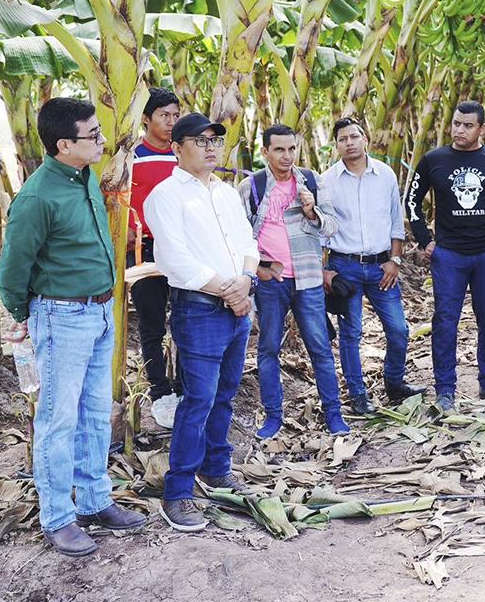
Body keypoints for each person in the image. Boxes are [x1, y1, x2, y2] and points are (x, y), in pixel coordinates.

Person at [0, 98, 146, 556]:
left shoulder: (85, 179)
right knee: (58, 420)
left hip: (101, 313)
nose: (103, 140)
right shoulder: (38, 196)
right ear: (64, 144)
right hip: (62, 317)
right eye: (93, 135)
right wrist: (23, 317)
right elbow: (11, 270)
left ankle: (96, 499)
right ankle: (57, 516)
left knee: (96, 413)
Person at [143, 112, 260, 533]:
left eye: (215, 140)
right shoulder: (165, 195)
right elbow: (173, 258)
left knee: (226, 394)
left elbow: (248, 241)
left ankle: (216, 468)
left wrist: (245, 283)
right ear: (177, 148)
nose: (211, 148)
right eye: (200, 140)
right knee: (198, 400)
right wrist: (227, 290)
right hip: (200, 308)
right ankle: (178, 492)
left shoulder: (228, 193)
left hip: (239, 304)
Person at [405, 100, 485, 412]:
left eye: (468, 125)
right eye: (456, 123)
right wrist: (425, 239)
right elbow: (412, 202)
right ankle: (445, 389)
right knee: (445, 321)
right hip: (448, 256)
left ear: (482, 129)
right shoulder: (434, 160)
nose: (459, 130)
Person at [239, 124, 342, 439]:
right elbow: (239, 235)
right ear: (266, 151)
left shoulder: (311, 181)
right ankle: (273, 417)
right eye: (279, 149)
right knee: (269, 348)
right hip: (272, 280)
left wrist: (311, 210)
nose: (286, 156)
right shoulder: (251, 187)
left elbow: (332, 227)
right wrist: (259, 269)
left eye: (291, 149)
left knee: (320, 348)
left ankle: (334, 414)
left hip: (308, 277)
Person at [320, 117, 423, 414]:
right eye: (343, 139)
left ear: (365, 139)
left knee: (398, 329)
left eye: (354, 136)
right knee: (351, 333)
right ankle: (357, 394)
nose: (349, 143)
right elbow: (322, 227)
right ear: (336, 145)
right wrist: (325, 269)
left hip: (381, 267)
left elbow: (395, 221)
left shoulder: (386, 175)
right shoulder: (327, 180)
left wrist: (396, 259)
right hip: (345, 266)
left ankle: (394, 383)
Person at [127, 87, 183, 429]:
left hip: (181, 249)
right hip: (144, 250)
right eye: (164, 115)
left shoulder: (183, 154)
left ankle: (183, 385)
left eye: (176, 115)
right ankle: (160, 390)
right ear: (146, 119)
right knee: (151, 323)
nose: (171, 122)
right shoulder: (132, 155)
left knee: (185, 319)